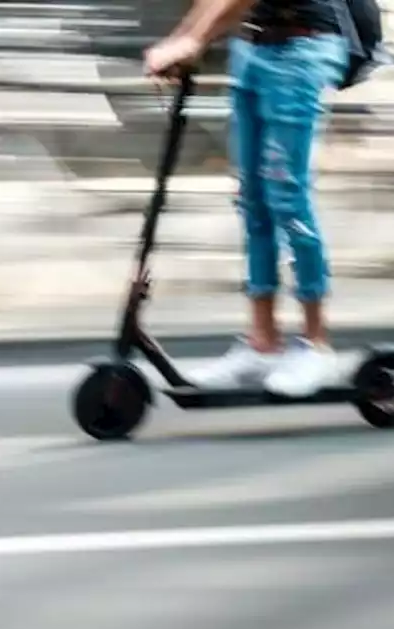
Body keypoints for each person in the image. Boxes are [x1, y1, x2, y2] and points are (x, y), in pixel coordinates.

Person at [144, 0, 352, 397]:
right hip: (252, 50)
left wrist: (194, 39)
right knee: (252, 200)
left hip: (301, 50)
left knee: (287, 197)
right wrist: (183, 40)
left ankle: (316, 345)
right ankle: (263, 343)